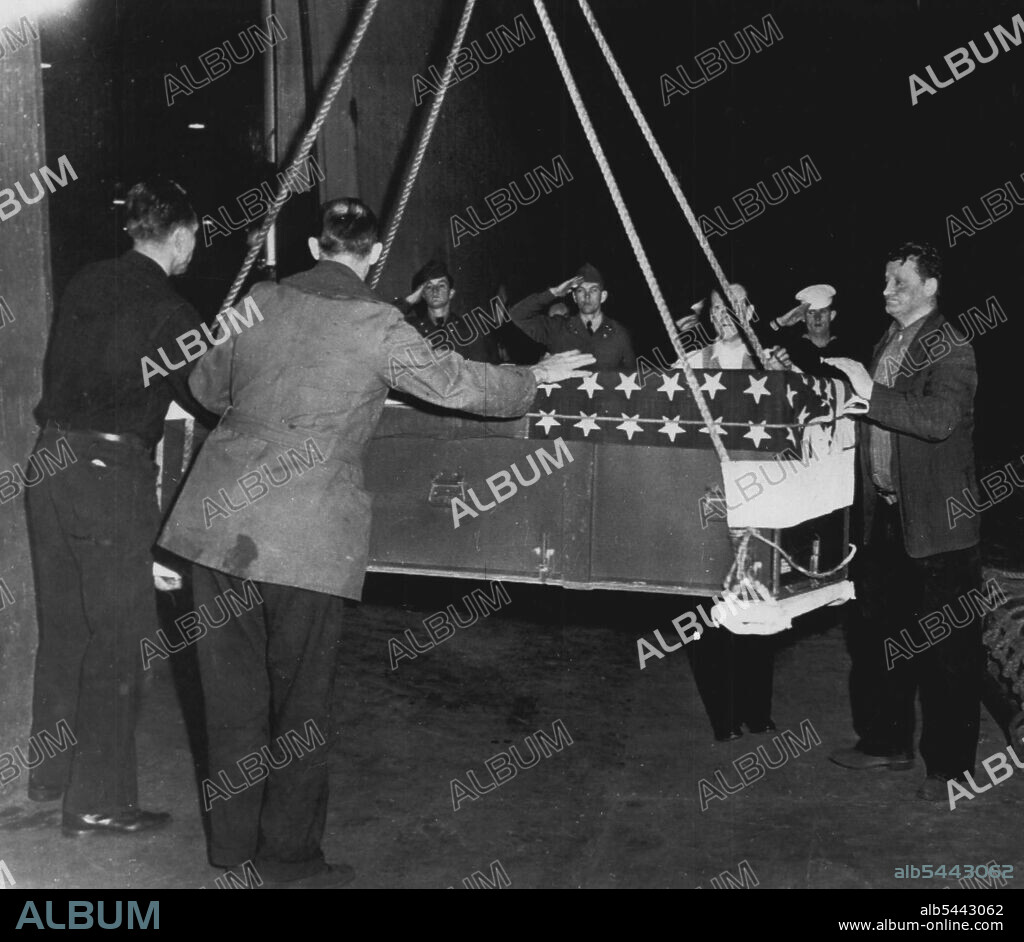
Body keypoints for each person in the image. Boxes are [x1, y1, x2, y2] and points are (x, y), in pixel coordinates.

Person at [156, 198, 593, 887]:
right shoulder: (377, 322)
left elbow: (209, 391)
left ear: (312, 243)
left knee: (231, 700)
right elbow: (457, 384)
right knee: (299, 705)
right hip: (304, 537)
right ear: (375, 254)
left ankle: (231, 851)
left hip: (216, 528)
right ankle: (290, 862)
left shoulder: (259, 298)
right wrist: (532, 379)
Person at [26, 177, 207, 836]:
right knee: (122, 636)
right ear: (181, 237)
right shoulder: (172, 311)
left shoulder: (85, 283)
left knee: (67, 626)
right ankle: (97, 800)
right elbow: (211, 397)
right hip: (109, 476)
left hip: (50, 463)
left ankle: (50, 774)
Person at [825, 241, 982, 802]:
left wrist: (870, 394)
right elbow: (881, 411)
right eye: (886, 280)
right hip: (887, 520)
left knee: (948, 656)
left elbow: (940, 418)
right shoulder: (889, 340)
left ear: (930, 287)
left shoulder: (951, 344)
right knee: (879, 640)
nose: (885, 291)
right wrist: (853, 411)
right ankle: (885, 743)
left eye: (898, 281)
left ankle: (952, 772)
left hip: (939, 526)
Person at [509, 262, 635, 371]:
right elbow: (518, 314)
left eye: (593, 290)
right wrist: (554, 293)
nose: (587, 296)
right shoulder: (557, 329)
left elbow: (631, 379)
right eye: (580, 290)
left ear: (603, 296)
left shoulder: (619, 333)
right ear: (574, 297)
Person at [399, 259, 498, 364]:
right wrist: (410, 300)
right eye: (429, 286)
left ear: (451, 293)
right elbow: (382, 323)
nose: (435, 291)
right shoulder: (411, 327)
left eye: (441, 285)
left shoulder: (468, 330)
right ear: (422, 294)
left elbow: (482, 370)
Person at [683, 284, 789, 370]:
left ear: (749, 313)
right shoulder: (692, 362)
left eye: (733, 307)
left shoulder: (771, 360)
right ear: (711, 315)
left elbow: (801, 392)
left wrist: (780, 377)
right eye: (718, 308)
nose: (725, 315)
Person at [769, 284, 848, 379]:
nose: (817, 318)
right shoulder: (792, 351)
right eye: (811, 312)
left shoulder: (846, 350)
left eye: (823, 312)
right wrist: (780, 322)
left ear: (832, 315)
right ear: (802, 318)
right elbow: (753, 344)